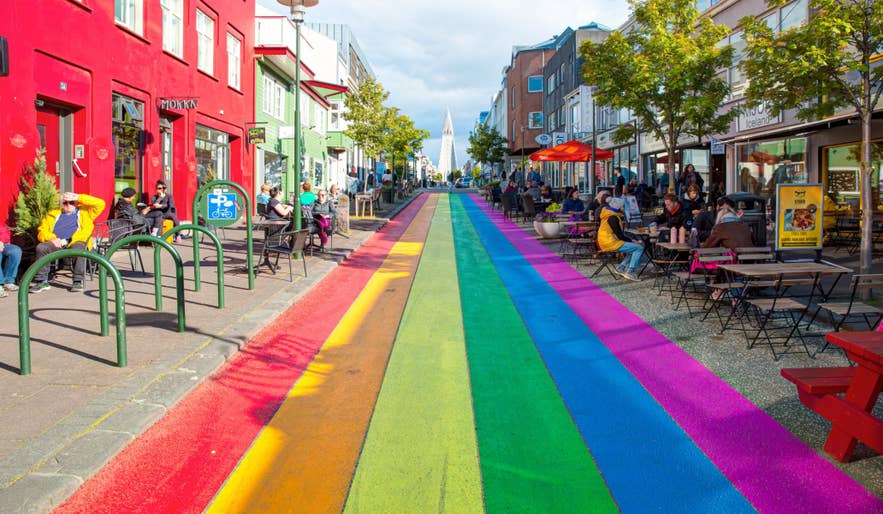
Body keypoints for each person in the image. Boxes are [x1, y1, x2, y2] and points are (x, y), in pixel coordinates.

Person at [31, 192, 105, 293]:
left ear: (77, 203)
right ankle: (42, 281)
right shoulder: (53, 214)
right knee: (41, 248)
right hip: (57, 242)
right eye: (66, 203)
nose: (69, 205)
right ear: (62, 204)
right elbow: (42, 230)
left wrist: (78, 197)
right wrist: (51, 238)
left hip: (76, 240)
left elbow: (100, 203)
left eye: (72, 202)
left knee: (78, 248)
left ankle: (78, 280)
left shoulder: (85, 212)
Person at [598, 196, 645, 282]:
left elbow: (619, 235)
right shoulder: (613, 217)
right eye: (622, 206)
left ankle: (621, 267)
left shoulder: (609, 214)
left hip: (606, 240)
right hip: (609, 242)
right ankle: (630, 271)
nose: (624, 208)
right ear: (618, 207)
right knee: (639, 248)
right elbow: (620, 235)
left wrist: (632, 241)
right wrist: (632, 240)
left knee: (633, 248)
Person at [0, 224, 22, 298]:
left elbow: (3, 232)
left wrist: (1, 241)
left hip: (2, 243)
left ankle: (8, 281)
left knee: (15, 251)